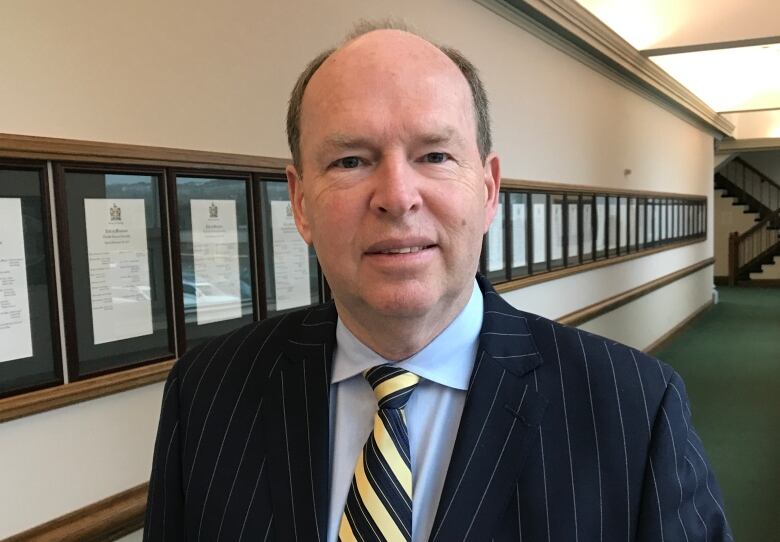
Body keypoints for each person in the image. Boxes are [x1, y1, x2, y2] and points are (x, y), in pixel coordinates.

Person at [144, 22, 732, 542]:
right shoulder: (208, 392)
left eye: (435, 155)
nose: (397, 197)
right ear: (300, 202)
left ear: (489, 189)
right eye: (351, 160)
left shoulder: (633, 407)